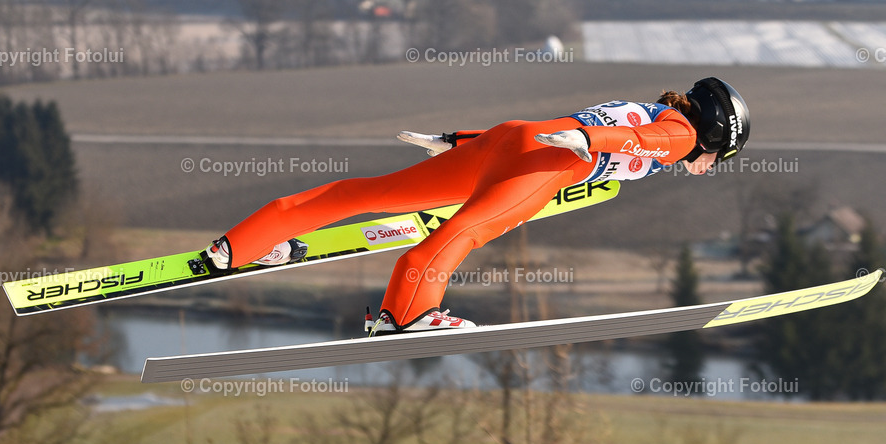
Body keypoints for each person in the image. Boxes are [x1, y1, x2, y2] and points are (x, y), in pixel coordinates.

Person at [203, 77, 750, 334]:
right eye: (717, 159)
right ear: (713, 137)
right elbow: (655, 146)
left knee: (370, 193)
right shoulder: (677, 134)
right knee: (463, 233)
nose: (706, 168)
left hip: (508, 139)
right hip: (547, 162)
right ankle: (407, 314)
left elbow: (573, 129)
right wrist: (595, 145)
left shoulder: (649, 107)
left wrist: (461, 142)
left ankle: (242, 245)